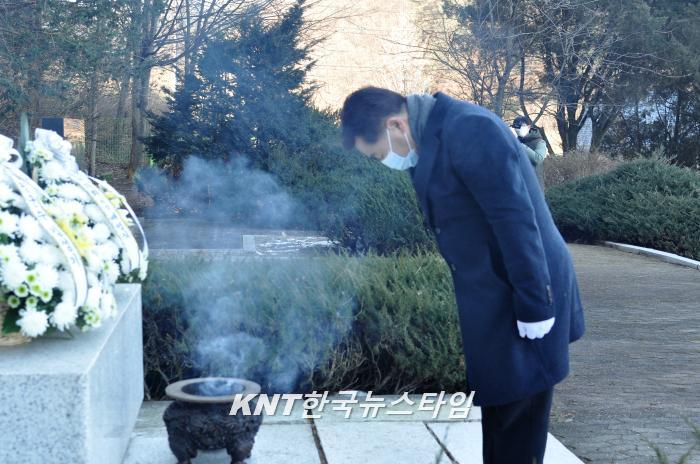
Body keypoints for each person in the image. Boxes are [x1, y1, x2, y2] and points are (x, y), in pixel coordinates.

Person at [340, 87, 586, 464]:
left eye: (377, 154)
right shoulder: (427, 139)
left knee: (518, 417)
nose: (383, 161)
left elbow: (514, 219)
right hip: (493, 290)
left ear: (395, 125)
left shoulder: (470, 128)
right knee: (501, 408)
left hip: (525, 285)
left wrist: (536, 303)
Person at [511, 115, 547, 188]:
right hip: (519, 185)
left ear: (528, 127)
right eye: (515, 127)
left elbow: (538, 159)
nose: (517, 129)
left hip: (535, 185)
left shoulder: (539, 142)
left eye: (520, 126)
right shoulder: (515, 142)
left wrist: (521, 146)